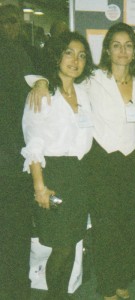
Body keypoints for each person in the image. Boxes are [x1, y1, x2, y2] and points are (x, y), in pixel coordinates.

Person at [27, 22, 135, 300]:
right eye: (116, 45)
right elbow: (54, 76)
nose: (122, 50)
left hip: (129, 160)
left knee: (125, 225)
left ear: (134, 51)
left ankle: (119, 280)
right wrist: (40, 81)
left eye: (128, 45)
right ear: (107, 49)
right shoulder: (93, 78)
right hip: (100, 160)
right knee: (104, 227)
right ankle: (106, 286)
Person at [22, 31, 95, 300]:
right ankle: (55, 296)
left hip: (79, 174)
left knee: (73, 241)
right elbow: (34, 144)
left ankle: (62, 294)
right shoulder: (42, 94)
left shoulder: (83, 92)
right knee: (62, 246)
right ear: (56, 55)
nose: (76, 60)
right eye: (69, 53)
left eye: (82, 55)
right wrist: (39, 187)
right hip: (53, 173)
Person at [0, 4, 34, 299]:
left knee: (15, 229)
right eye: (9, 22)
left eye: (18, 23)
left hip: (14, 155)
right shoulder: (15, 54)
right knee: (13, 229)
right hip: (9, 156)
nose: (15, 28)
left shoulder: (22, 53)